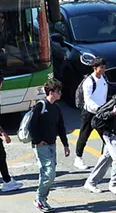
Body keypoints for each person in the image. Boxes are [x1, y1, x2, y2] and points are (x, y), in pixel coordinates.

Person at [30, 80, 70, 212]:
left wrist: (65, 144)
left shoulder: (56, 108)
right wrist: (38, 141)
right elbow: (32, 125)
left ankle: (42, 198)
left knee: (48, 173)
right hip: (42, 146)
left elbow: (61, 127)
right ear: (51, 92)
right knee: (49, 173)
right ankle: (40, 199)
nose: (60, 93)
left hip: (52, 144)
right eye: (58, 91)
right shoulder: (40, 106)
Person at [75, 57, 108, 170]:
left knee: (107, 136)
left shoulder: (104, 79)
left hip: (101, 112)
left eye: (104, 67)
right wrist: (97, 109)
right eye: (101, 67)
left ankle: (108, 157)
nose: (103, 69)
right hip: (89, 113)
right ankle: (78, 158)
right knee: (84, 135)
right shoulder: (89, 82)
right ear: (95, 68)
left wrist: (104, 108)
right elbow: (87, 100)